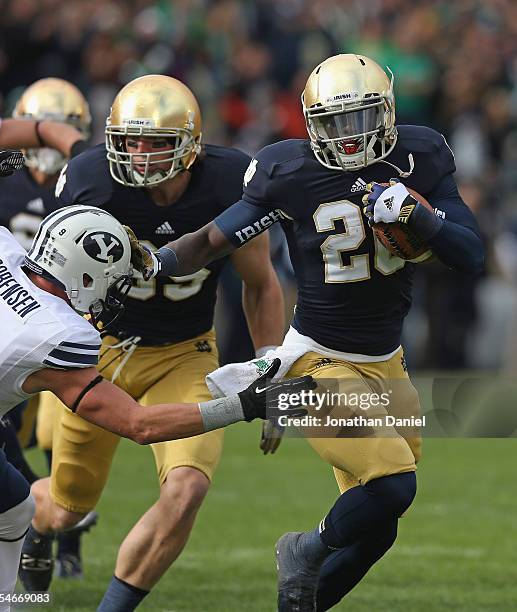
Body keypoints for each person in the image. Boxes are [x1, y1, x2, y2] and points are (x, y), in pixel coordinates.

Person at [131, 54, 484, 611]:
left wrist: (420, 219)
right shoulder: (288, 171)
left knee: (379, 525)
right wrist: (148, 264)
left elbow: (470, 253)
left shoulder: (421, 155)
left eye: (361, 119)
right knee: (393, 485)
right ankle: (302, 546)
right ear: (310, 122)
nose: (348, 137)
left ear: (388, 115)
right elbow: (210, 240)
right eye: (334, 122)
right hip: (313, 361)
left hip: (387, 362)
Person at [20, 75, 285, 609]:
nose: (140, 155)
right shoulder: (91, 178)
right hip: (99, 350)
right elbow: (53, 285)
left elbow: (259, 283)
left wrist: (270, 365)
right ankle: (34, 527)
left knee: (187, 489)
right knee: (67, 508)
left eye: (157, 142)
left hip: (185, 354)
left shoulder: (231, 179)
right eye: (130, 141)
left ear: (190, 143)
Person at [0, 198, 310, 611]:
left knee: (14, 509)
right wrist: (244, 405)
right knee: (12, 511)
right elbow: (139, 425)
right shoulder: (55, 335)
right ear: (85, 274)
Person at [0, 78, 96, 579]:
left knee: (49, 439)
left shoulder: (79, 182)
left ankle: (57, 538)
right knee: (13, 462)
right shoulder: (4, 187)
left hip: (42, 327)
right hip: (17, 329)